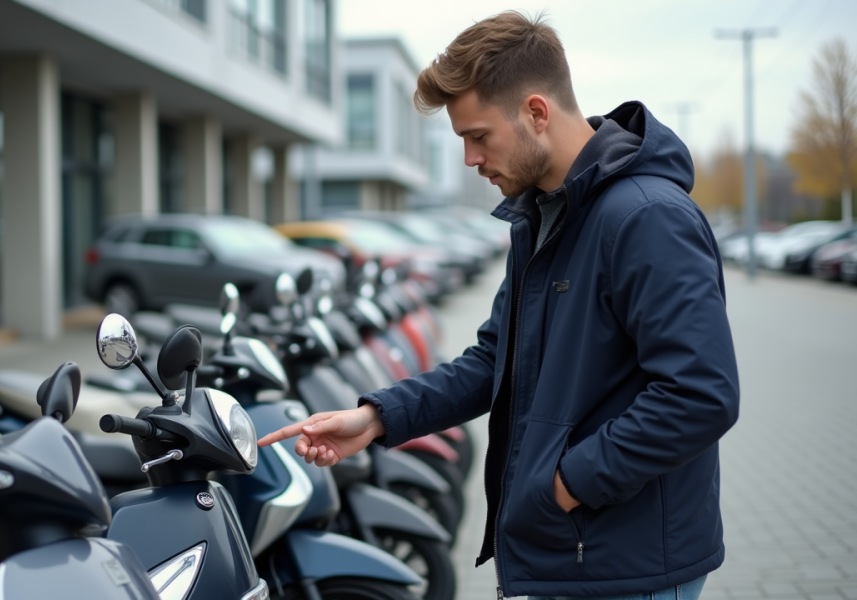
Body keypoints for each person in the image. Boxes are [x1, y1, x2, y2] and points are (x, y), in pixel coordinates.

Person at [259, 11, 739, 600]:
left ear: (536, 112)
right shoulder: (545, 216)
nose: (469, 158)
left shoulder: (645, 218)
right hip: (573, 554)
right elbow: (495, 360)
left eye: (478, 135)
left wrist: (565, 484)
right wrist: (379, 418)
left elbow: (700, 394)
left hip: (621, 567)